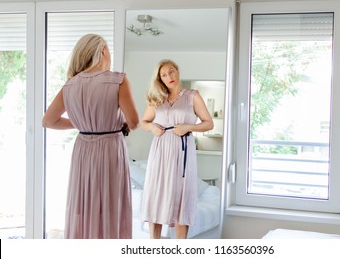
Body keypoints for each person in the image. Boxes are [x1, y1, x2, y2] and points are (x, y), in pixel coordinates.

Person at [42, 34, 139, 239]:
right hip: (111, 147)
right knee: (111, 204)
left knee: (85, 202)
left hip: (83, 149)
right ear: (103, 50)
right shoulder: (118, 80)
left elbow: (48, 121)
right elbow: (134, 121)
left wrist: (82, 124)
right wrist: (115, 123)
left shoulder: (70, 85)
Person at [140, 59, 213, 239]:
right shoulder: (157, 99)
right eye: (164, 75)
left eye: (171, 71)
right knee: (156, 193)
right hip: (160, 151)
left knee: (181, 196)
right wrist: (152, 128)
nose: (169, 77)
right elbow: (143, 122)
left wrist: (189, 127)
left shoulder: (192, 95)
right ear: (160, 79)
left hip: (182, 151)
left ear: (178, 71)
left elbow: (208, 123)